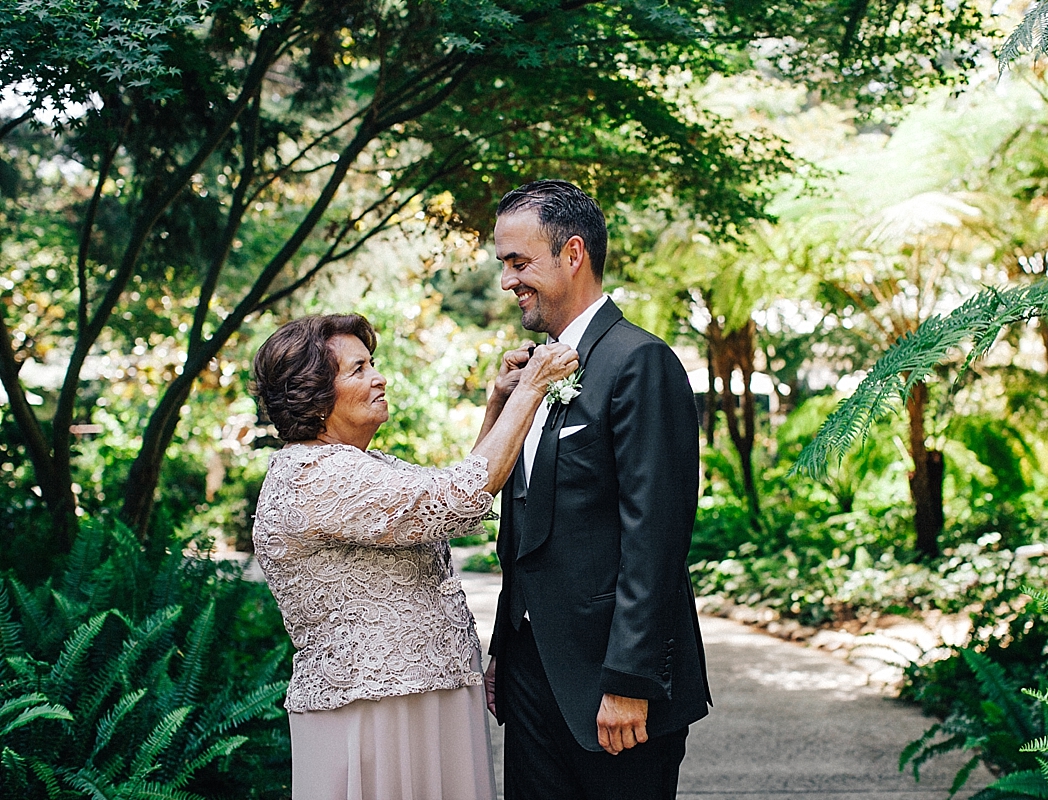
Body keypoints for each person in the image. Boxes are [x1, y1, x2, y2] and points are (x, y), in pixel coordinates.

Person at [250, 313, 577, 800]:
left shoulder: (361, 465)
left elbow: (448, 504)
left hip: (427, 699)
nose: (379, 377)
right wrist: (530, 390)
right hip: (373, 709)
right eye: (358, 369)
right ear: (313, 395)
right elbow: (456, 500)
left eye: (372, 363)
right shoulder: (313, 475)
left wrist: (499, 402)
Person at [484, 180, 711, 800]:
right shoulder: (535, 371)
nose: (507, 281)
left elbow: (655, 537)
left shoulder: (641, 362)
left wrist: (629, 681)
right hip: (533, 678)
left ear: (573, 254)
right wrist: (507, 645)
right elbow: (524, 526)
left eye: (519, 262)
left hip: (616, 687)